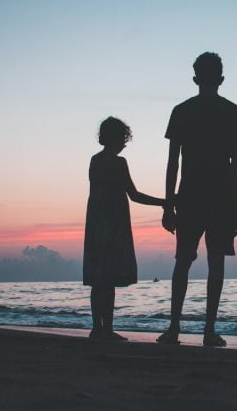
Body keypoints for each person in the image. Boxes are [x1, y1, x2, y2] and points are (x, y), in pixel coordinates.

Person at [158, 52, 237, 347]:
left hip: (190, 196)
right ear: (221, 79)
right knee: (216, 263)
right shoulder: (233, 112)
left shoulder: (181, 111)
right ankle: (209, 330)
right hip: (222, 197)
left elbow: (173, 162)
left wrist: (169, 203)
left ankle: (174, 328)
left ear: (195, 78)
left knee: (182, 261)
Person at [84, 116, 167, 341]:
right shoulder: (119, 163)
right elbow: (134, 194)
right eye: (123, 138)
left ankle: (96, 328)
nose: (125, 143)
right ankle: (107, 329)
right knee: (108, 279)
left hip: (95, 223)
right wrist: (165, 202)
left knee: (97, 280)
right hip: (113, 223)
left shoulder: (94, 160)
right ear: (118, 138)